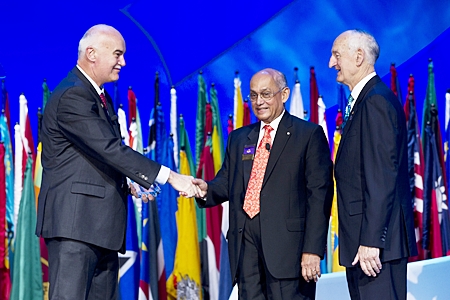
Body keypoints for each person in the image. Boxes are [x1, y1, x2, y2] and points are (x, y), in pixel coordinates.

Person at [35, 24, 196, 300]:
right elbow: (109, 148)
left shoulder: (99, 95)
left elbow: (93, 156)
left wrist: (129, 182)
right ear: (92, 53)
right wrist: (170, 176)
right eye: (118, 54)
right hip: (76, 228)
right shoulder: (73, 94)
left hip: (100, 228)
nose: (123, 62)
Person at [193, 68, 333, 299]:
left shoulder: (308, 135)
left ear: (285, 94)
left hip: (289, 253)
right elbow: (227, 181)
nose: (259, 102)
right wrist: (206, 189)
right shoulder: (239, 139)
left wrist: (312, 250)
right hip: (246, 251)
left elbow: (319, 196)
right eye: (254, 95)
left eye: (266, 94)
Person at [329, 29, 417, 300]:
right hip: (364, 243)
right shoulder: (365, 101)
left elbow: (382, 177)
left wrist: (371, 240)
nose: (331, 63)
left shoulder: (375, 100)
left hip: (375, 247)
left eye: (336, 55)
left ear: (358, 57)